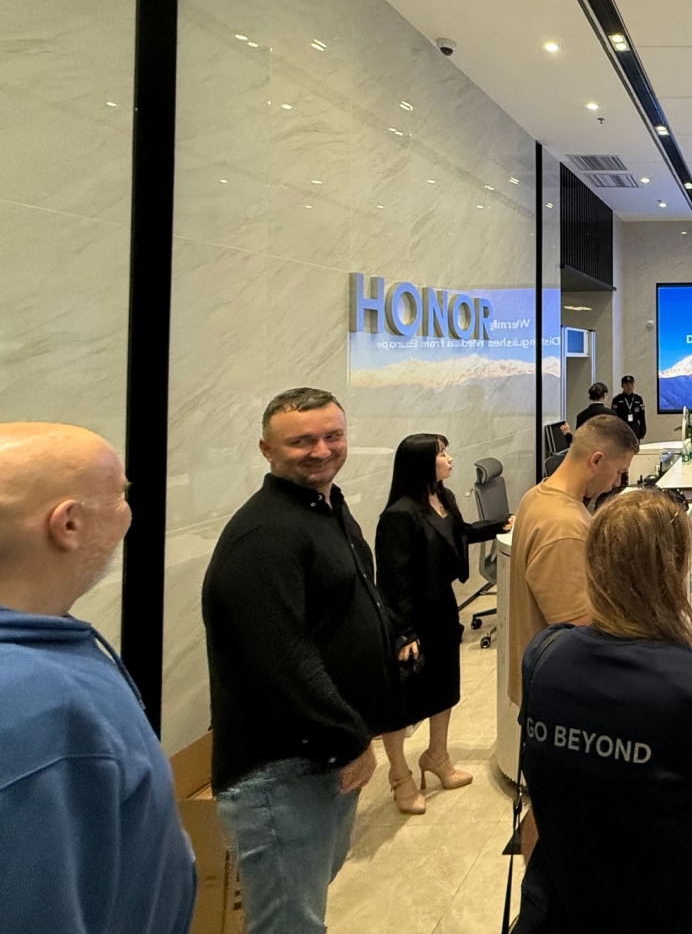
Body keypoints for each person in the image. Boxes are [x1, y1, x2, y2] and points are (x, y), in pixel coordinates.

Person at [203, 388, 403, 932]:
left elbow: (353, 599)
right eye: (301, 441)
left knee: (305, 905)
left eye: (332, 436)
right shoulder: (264, 536)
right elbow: (280, 661)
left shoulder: (326, 508)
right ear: (266, 450)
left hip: (321, 758)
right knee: (289, 923)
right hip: (282, 770)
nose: (321, 450)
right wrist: (351, 739)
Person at [516, 490, 692, 933]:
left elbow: (544, 777)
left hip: (569, 904)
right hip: (678, 910)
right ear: (674, 570)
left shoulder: (544, 655)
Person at [0, 423, 196, 934]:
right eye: (120, 495)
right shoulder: (35, 708)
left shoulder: (42, 647)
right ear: (67, 524)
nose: (128, 512)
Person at [375, 433, 510, 815]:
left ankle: (437, 756)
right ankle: (399, 775)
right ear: (421, 463)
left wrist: (500, 525)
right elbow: (392, 580)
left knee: (445, 685)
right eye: (441, 454)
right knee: (405, 699)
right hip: (410, 617)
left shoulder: (443, 497)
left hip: (442, 607)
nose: (449, 459)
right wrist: (403, 632)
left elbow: (461, 534)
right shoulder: (399, 515)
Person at [507, 415, 639, 707]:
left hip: (543, 682)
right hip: (561, 694)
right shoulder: (563, 526)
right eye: (619, 472)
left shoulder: (536, 496)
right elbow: (579, 632)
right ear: (596, 460)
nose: (616, 483)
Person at [610, 374, 647, 441]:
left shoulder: (638, 399)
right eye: (627, 384)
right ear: (622, 386)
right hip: (622, 428)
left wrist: (643, 430)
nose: (629, 387)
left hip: (634, 428)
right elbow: (614, 417)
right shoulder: (617, 399)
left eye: (631, 384)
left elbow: (642, 417)